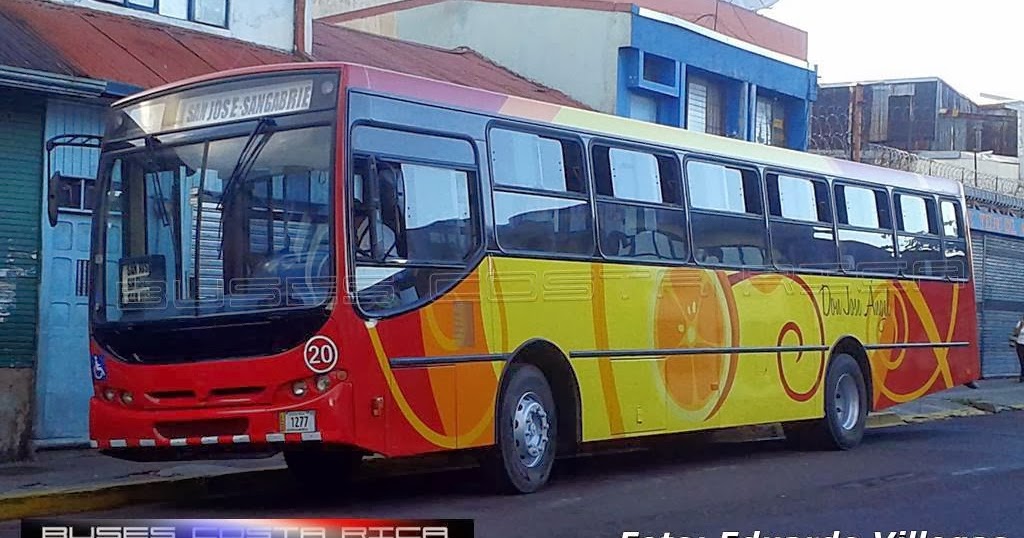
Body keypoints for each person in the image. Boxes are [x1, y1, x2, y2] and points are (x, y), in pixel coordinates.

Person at [1009, 314, 1024, 383]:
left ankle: (1022, 376)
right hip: (1020, 344)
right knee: (1022, 361)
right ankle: (1022, 376)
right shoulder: (1020, 323)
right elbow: (1015, 333)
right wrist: (1012, 342)